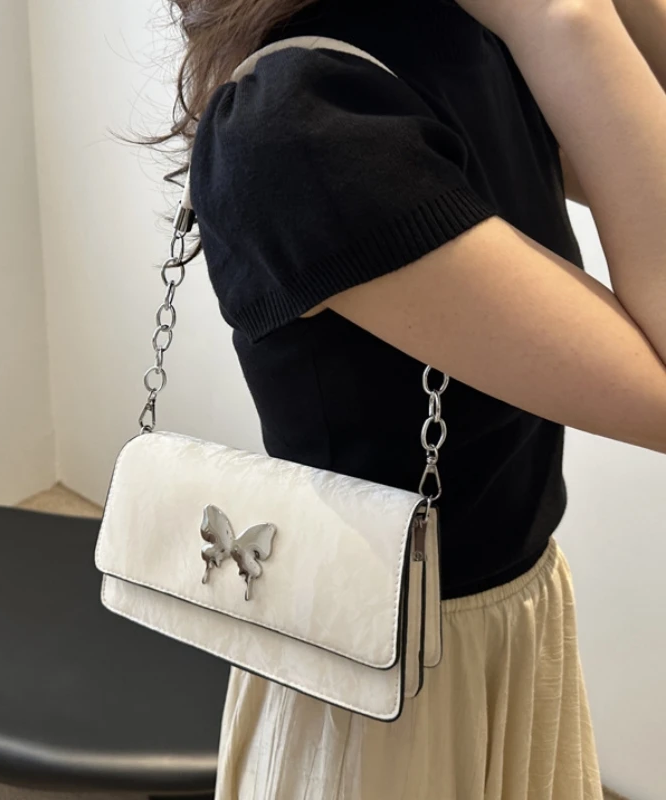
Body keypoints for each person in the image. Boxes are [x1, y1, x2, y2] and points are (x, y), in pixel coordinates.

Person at [145, 0, 666, 796]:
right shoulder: (306, 121)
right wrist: (565, 19)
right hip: (392, 668)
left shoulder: (471, 35)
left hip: (515, 613)